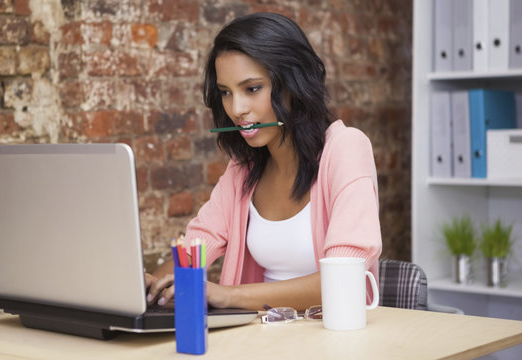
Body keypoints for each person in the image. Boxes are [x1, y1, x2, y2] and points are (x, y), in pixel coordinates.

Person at [145, 12, 382, 311]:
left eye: (252, 89)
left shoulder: (346, 149)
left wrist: (228, 295)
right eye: (226, 93)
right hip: (262, 338)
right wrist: (150, 285)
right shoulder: (244, 169)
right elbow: (197, 245)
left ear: (292, 84)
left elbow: (344, 278)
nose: (237, 108)